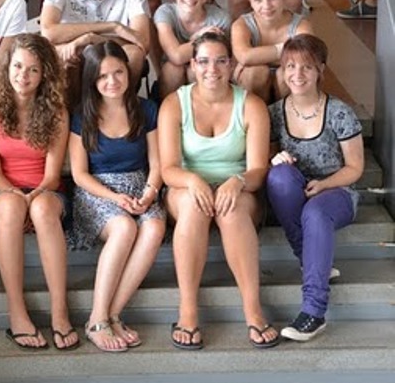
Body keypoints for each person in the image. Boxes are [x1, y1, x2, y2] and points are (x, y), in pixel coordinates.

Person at [159, 32, 278, 350]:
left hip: (239, 188)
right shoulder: (174, 104)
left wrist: (237, 181)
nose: (212, 69)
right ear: (192, 65)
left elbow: (258, 171)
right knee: (193, 205)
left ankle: (253, 311)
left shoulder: (250, 104)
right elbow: (168, 169)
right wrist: (193, 181)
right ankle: (188, 311)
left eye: (221, 61)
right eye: (204, 61)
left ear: (232, 64)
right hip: (186, 188)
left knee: (232, 210)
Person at [0, 33, 77, 351]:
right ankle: (17, 312)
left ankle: (60, 312)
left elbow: (52, 176)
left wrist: (33, 197)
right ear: (7, 68)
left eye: (33, 69)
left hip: (45, 191)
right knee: (12, 208)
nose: (24, 75)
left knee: (42, 209)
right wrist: (19, 198)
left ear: (44, 73)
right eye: (18, 66)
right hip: (1, 192)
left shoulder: (57, 112)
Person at [267, 35, 364, 341]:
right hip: (294, 192)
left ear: (321, 69)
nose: (297, 74)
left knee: (316, 212)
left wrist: (324, 185)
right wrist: (275, 158)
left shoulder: (339, 112)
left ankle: (314, 312)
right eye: (290, 66)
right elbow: (265, 158)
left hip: (337, 192)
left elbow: (355, 168)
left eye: (306, 67)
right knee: (278, 177)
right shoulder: (273, 113)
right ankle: (310, 259)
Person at [69, 41, 165, 352]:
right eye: (103, 76)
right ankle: (97, 318)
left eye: (118, 72)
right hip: (96, 190)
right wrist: (114, 197)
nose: (112, 81)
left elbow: (158, 164)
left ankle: (113, 314)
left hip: (140, 185)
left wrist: (149, 193)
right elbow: (79, 174)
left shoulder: (146, 110)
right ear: (92, 80)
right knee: (124, 227)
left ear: (128, 72)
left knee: (154, 227)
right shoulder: (81, 115)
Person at [231, 0, 313, 102]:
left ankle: (285, 112)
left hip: (288, 83)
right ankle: (256, 113)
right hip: (254, 82)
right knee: (256, 72)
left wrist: (256, 56)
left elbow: (305, 57)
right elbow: (244, 56)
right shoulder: (242, 24)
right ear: (250, 0)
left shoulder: (301, 25)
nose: (267, 6)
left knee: (286, 74)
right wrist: (285, 50)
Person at [154, 0, 231, 98]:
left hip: (209, 73)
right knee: (173, 69)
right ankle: (168, 109)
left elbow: (220, 62)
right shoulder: (165, 12)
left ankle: (202, 110)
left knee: (196, 70)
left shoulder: (220, 19)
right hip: (172, 73)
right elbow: (176, 56)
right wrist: (200, 37)